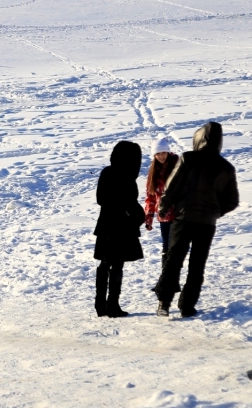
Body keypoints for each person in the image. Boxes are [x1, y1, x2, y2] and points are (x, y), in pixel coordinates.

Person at [154, 122, 239, 318]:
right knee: (197, 265)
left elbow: (171, 187)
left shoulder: (187, 158)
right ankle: (187, 306)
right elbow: (232, 201)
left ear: (199, 138)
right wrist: (215, 212)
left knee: (173, 260)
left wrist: (164, 207)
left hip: (183, 218)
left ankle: (164, 304)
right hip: (207, 223)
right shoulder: (226, 167)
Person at [93, 141, 146, 318]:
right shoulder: (122, 176)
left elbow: (102, 199)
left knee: (108, 263)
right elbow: (107, 199)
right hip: (119, 225)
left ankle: (103, 304)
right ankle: (110, 305)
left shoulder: (110, 173)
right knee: (115, 264)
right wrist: (131, 210)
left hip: (111, 224)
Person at [144, 136, 179, 269]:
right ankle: (166, 279)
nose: (161, 156)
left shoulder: (178, 166)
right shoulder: (154, 172)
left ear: (168, 152)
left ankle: (168, 281)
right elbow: (151, 197)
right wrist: (149, 217)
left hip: (179, 215)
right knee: (166, 247)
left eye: (163, 152)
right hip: (164, 216)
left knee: (174, 247)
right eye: (158, 154)